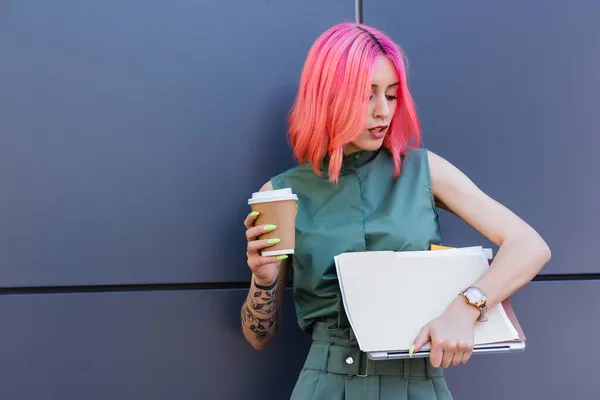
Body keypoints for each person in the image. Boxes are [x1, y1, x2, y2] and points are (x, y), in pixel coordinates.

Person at [240, 21, 551, 399]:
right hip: (327, 384)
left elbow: (529, 245)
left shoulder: (424, 169)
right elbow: (259, 337)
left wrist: (465, 308)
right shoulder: (281, 193)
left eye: (391, 94)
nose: (383, 111)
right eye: (367, 95)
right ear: (329, 96)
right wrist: (264, 278)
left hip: (418, 381)